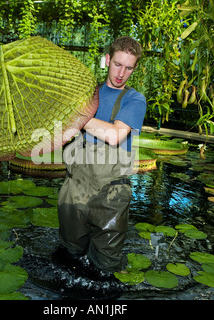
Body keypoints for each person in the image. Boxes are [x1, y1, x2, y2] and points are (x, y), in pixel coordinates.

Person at [55, 36, 147, 277]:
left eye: (128, 67)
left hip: (111, 195)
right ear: (107, 60)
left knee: (106, 269)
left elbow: (116, 135)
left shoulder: (134, 99)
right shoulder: (86, 95)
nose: (121, 73)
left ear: (134, 69)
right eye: (117, 64)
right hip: (74, 188)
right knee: (68, 258)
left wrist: (75, 115)